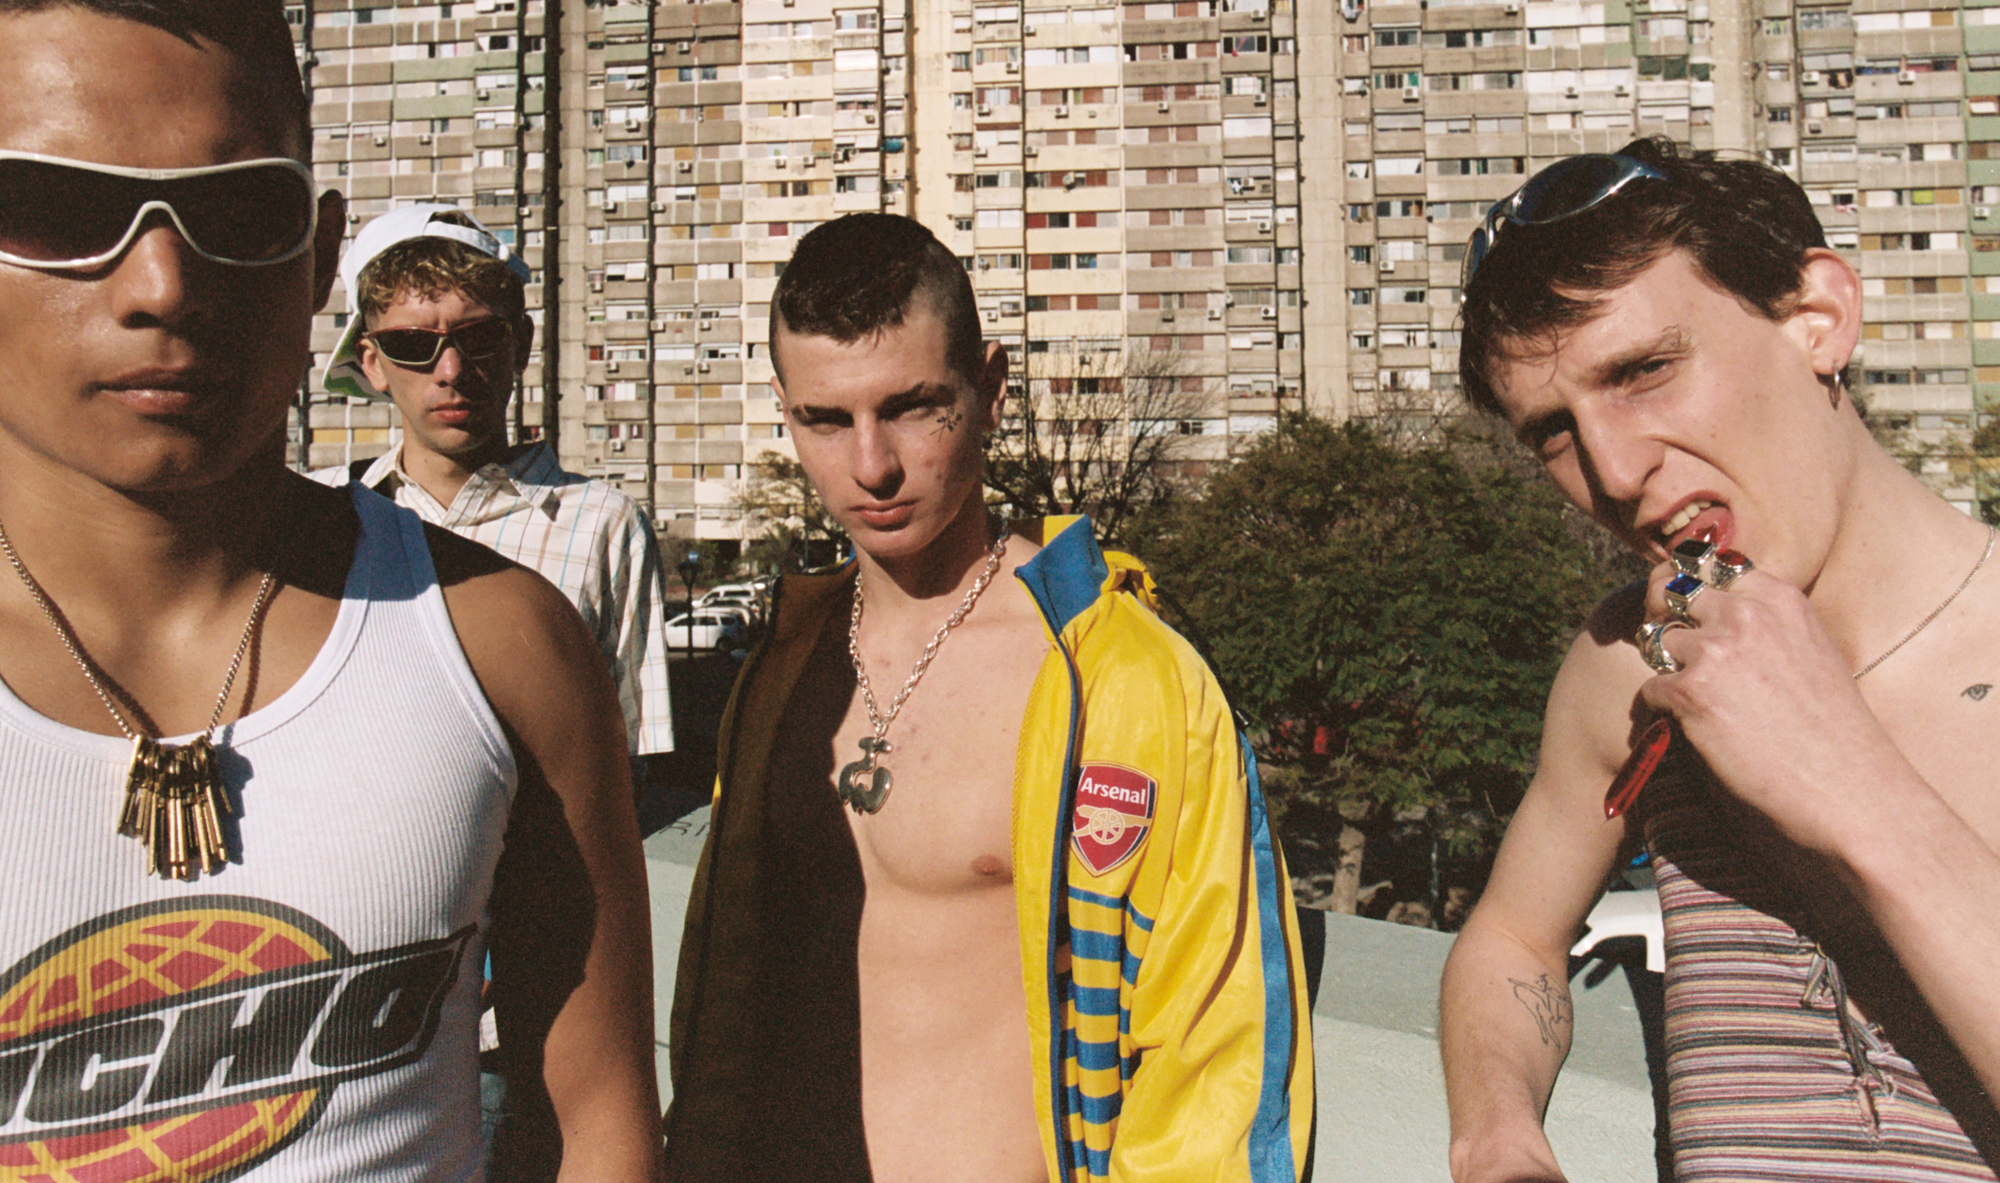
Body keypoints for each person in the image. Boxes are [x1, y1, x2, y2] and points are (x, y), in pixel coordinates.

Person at [0, 3, 661, 1180]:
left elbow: (601, 1125)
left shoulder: (504, 644)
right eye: (62, 211)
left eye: (235, 213)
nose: (162, 282)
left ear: (313, 258)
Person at [664, 213, 1313, 1182]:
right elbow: (728, 1007)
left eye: (913, 407)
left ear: (991, 389)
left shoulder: (1126, 684)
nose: (871, 465)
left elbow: (1212, 1059)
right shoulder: (785, 665)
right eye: (825, 420)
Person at [1439, 136, 2000, 1182]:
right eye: (1552, 433)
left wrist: (1846, 777)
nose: (1611, 471)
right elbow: (1512, 942)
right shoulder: (1631, 664)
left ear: (1817, 321)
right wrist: (1496, 1135)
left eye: (1643, 370)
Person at [317, 203, 675, 772]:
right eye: (412, 343)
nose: (451, 369)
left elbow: (633, 757)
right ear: (373, 362)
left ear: (520, 345)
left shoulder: (601, 525)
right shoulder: (324, 513)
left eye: (479, 336)